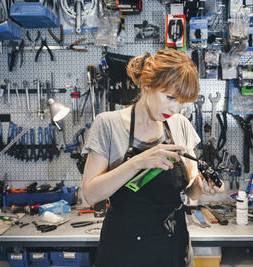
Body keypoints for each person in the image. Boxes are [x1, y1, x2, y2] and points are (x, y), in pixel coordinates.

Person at [82, 49, 225, 267]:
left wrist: (201, 186)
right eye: (169, 98)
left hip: (172, 248)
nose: (175, 109)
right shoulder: (108, 124)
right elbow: (91, 194)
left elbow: (190, 189)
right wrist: (137, 162)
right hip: (124, 250)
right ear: (147, 86)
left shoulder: (180, 125)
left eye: (182, 102)